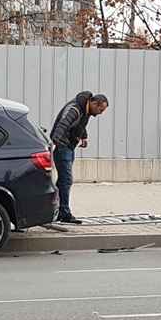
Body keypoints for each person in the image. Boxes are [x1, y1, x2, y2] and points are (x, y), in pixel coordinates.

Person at [50, 91, 109, 224]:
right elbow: (63, 125)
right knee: (67, 181)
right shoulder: (75, 109)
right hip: (62, 146)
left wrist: (83, 136)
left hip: (69, 147)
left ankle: (56, 211)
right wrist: (55, 143)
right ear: (94, 103)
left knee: (63, 182)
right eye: (100, 110)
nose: (101, 113)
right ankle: (64, 214)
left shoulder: (85, 110)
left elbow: (80, 124)